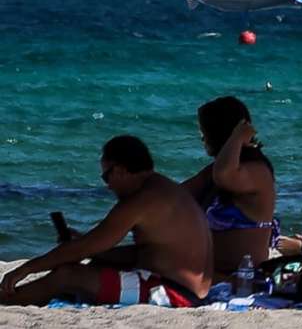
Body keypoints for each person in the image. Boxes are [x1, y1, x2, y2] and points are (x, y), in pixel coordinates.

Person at [0, 136, 214, 307]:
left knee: (68, 275)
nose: (108, 186)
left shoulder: (141, 200)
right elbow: (145, 253)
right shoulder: (164, 189)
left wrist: (25, 269)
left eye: (106, 177)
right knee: (96, 263)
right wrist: (88, 249)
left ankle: (6, 301)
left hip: (172, 294)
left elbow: (83, 248)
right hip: (187, 288)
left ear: (120, 170)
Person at [181, 96, 277, 279]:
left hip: (239, 279)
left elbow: (224, 175)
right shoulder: (215, 171)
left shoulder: (256, 171)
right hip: (210, 272)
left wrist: (238, 136)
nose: (202, 138)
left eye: (205, 131)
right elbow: (177, 196)